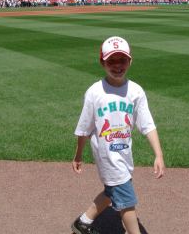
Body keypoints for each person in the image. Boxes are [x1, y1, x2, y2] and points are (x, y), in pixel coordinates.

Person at [71, 36, 165, 234]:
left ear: (130, 61)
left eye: (122, 60)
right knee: (126, 201)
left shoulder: (136, 91)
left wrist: (159, 154)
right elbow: (84, 129)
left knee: (112, 190)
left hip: (124, 152)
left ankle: (83, 222)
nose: (117, 65)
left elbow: (147, 124)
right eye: (111, 61)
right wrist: (78, 154)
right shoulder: (95, 93)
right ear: (102, 62)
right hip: (107, 156)